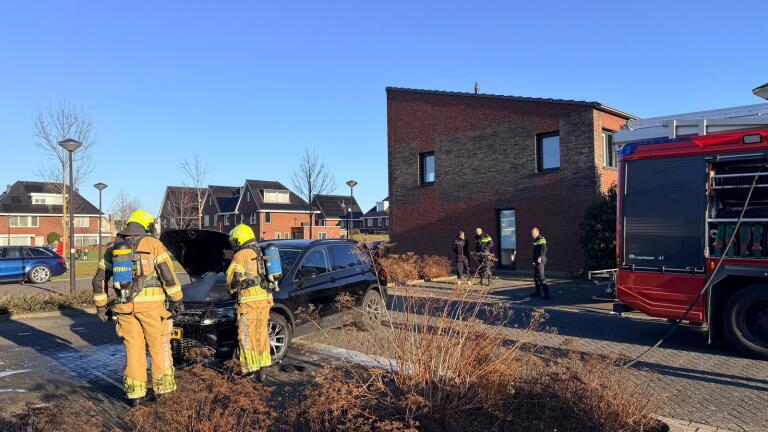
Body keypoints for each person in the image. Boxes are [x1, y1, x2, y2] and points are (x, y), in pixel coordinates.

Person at [91, 210, 183, 406]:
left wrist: (101, 307)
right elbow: (168, 275)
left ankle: (135, 396)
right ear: (146, 226)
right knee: (159, 348)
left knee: (133, 350)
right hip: (152, 308)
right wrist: (177, 299)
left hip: (124, 308)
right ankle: (164, 392)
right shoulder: (153, 244)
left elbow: (98, 280)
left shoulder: (113, 248)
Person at [226, 224, 273, 382]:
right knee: (262, 334)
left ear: (239, 239)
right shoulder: (260, 252)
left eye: (234, 241)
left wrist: (231, 290)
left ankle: (249, 369)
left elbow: (234, 279)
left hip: (248, 302)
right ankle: (263, 367)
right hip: (265, 300)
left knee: (246, 335)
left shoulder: (241, 254)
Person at [531, 227, 550, 299]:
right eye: (532, 233)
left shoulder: (541, 238)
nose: (533, 234)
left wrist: (540, 257)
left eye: (534, 233)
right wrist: (534, 261)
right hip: (536, 261)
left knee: (541, 277)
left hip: (541, 260)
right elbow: (534, 252)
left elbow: (545, 249)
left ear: (538, 232)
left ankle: (547, 294)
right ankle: (537, 292)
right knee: (536, 277)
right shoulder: (535, 240)